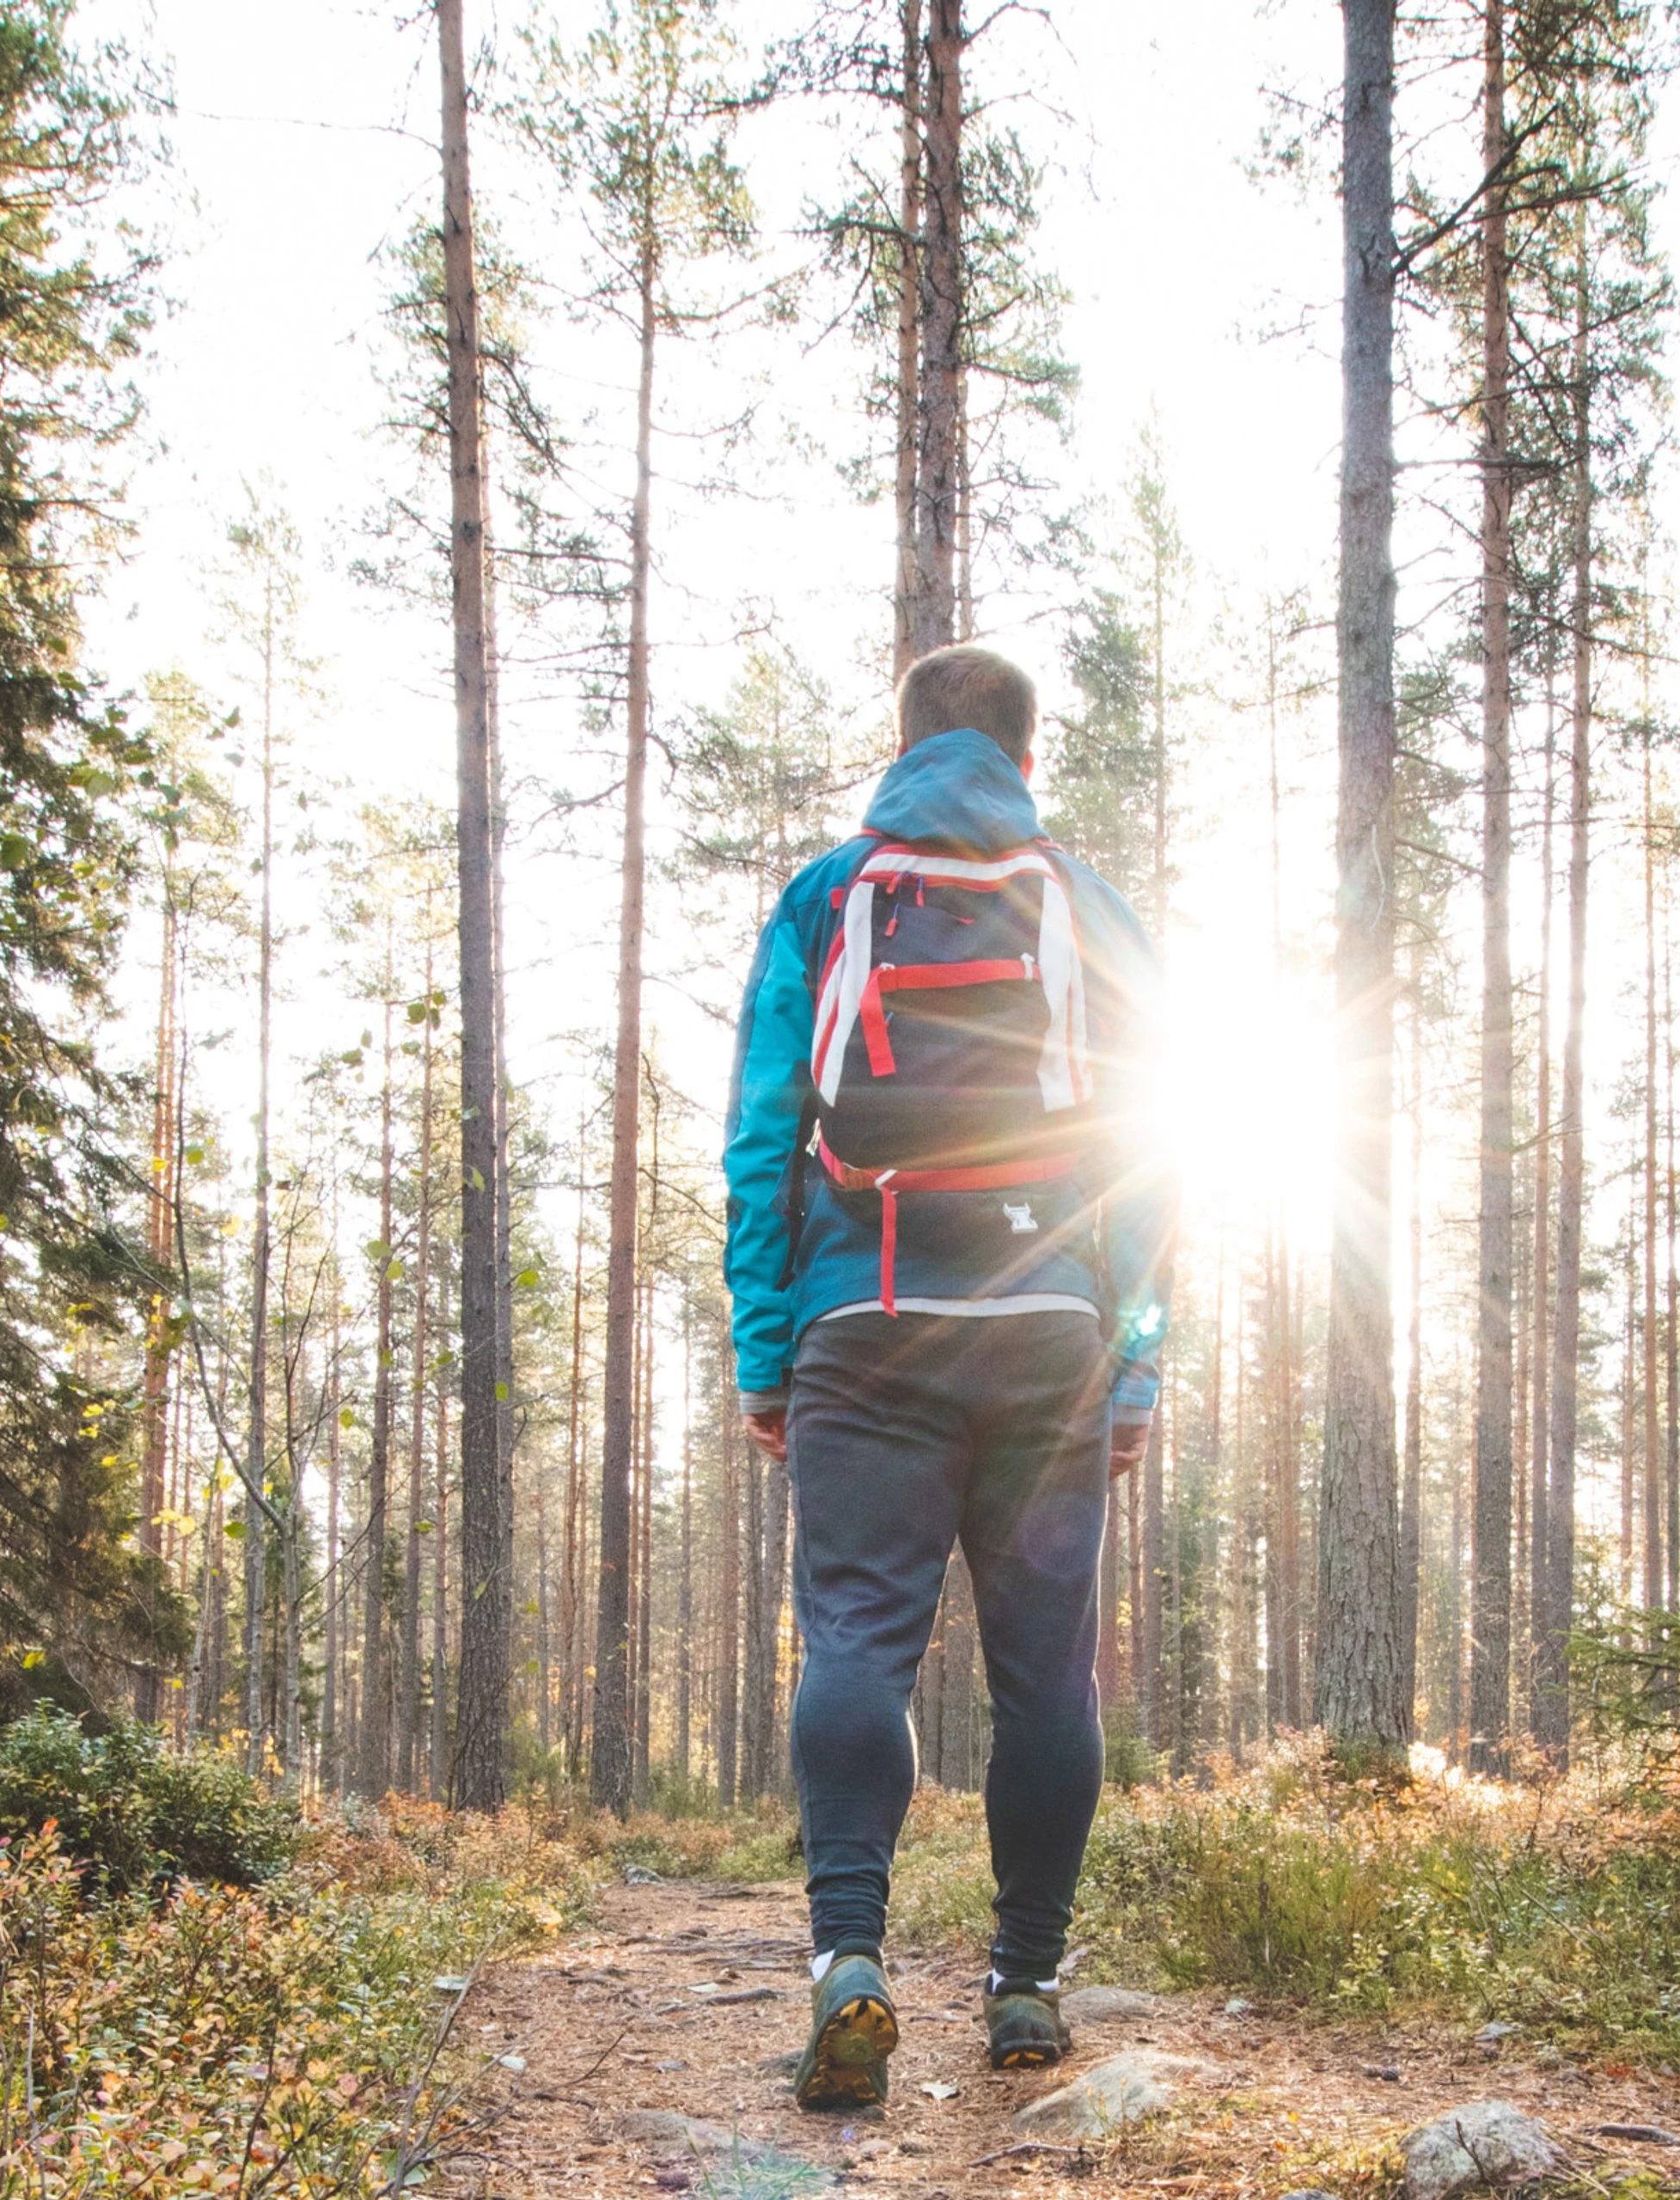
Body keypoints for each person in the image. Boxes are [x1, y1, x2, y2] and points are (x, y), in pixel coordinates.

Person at [721, 642, 1170, 2112]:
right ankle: (1027, 1986)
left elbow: (764, 1134)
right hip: (1051, 1329)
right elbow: (1157, 1154)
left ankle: (848, 1961)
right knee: (1047, 1674)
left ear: (901, 742)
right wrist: (1135, 1362)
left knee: (857, 1643)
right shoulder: (1084, 899)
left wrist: (768, 1349)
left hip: (868, 1317)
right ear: (1028, 758)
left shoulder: (829, 894)